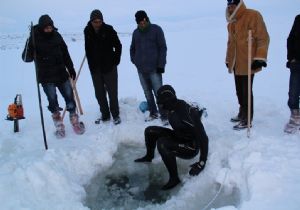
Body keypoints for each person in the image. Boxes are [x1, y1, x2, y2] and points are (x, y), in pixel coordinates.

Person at [134, 85, 209, 190]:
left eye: (161, 103)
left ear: (168, 100)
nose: (159, 105)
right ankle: (149, 156)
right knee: (150, 131)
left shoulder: (185, 115)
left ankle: (174, 178)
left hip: (190, 146)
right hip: (179, 135)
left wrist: (201, 163)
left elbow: (204, 138)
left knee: (162, 144)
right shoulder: (172, 107)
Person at [22, 14, 84, 137]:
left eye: (50, 27)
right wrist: (29, 45)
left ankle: (75, 122)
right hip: (46, 77)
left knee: (70, 98)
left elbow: (65, 53)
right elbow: (26, 58)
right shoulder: (34, 38)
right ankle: (59, 127)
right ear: (41, 28)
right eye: (46, 28)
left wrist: (70, 68)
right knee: (53, 103)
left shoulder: (57, 36)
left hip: (61, 74)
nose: (49, 30)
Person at [225, 0, 270, 130]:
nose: (231, 8)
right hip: (236, 62)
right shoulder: (231, 23)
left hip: (248, 61)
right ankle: (242, 112)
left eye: (233, 5)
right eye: (229, 6)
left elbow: (263, 38)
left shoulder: (253, 15)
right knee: (239, 90)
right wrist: (228, 59)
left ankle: (247, 118)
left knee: (246, 91)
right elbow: (230, 43)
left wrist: (260, 58)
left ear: (239, 5)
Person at [84, 9, 122, 125]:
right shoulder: (87, 31)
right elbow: (88, 49)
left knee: (112, 92)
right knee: (99, 93)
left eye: (99, 21)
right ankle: (105, 115)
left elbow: (118, 45)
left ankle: (115, 115)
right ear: (91, 21)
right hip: (95, 68)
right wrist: (90, 65)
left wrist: (115, 60)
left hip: (109, 67)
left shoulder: (109, 29)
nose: (97, 24)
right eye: (95, 21)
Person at [130, 10, 168, 123]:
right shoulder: (135, 33)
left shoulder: (156, 29)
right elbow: (132, 49)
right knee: (147, 93)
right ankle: (153, 112)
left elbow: (163, 48)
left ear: (147, 19)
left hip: (155, 69)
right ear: (137, 23)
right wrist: (135, 60)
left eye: (144, 21)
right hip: (141, 70)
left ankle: (164, 115)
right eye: (140, 22)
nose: (143, 23)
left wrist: (161, 65)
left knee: (159, 93)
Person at [284, 15, 300, 133]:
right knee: (293, 92)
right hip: (297, 63)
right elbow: (290, 39)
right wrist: (291, 58)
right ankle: (295, 117)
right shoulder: (299, 19)